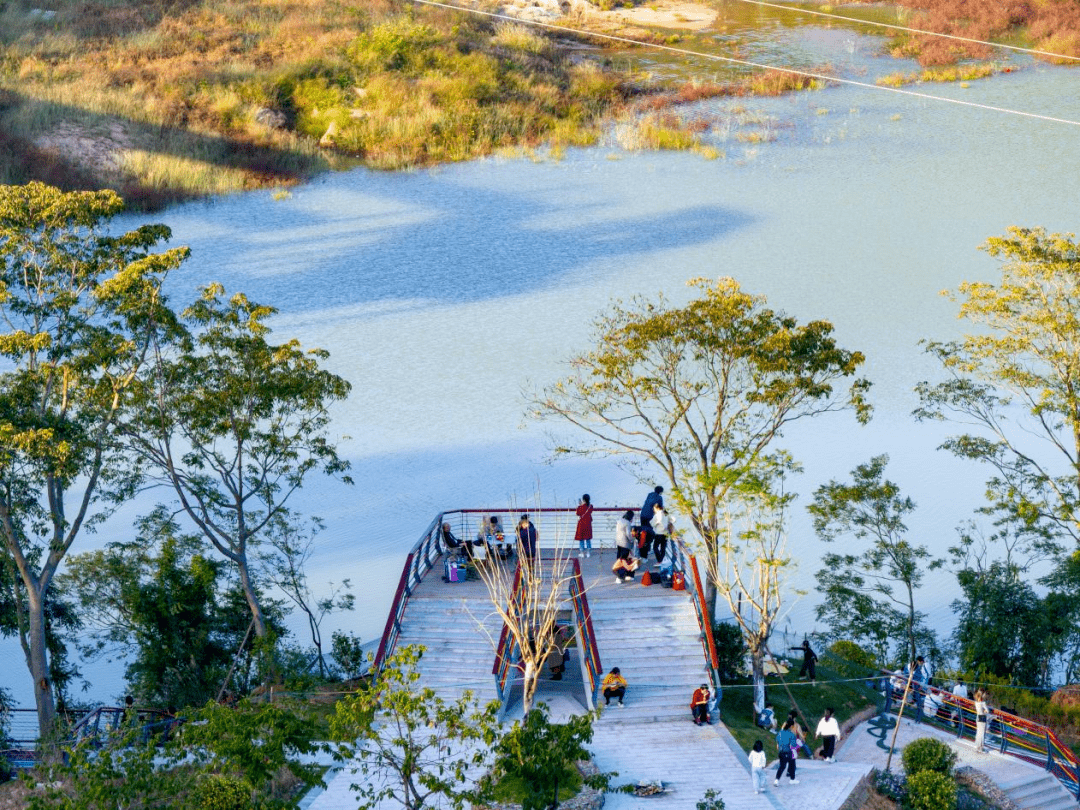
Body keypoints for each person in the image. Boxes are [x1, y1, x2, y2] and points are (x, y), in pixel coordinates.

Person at [639, 485, 663, 558]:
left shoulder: (650, 494)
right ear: (661, 492)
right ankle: (646, 551)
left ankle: (642, 549)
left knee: (643, 532)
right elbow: (660, 508)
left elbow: (648, 503)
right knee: (649, 534)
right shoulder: (659, 497)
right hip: (649, 517)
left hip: (642, 515)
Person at [774, 719, 799, 786]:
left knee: (782, 766)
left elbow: (777, 741)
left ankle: (776, 780)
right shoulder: (791, 734)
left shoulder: (780, 732)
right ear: (791, 726)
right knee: (792, 764)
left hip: (781, 751)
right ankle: (792, 779)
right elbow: (793, 745)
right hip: (788, 751)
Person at [974, 688, 990, 753]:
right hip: (982, 717)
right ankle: (981, 748)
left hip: (978, 717)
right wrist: (985, 711)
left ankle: (977, 746)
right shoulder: (983, 703)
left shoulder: (976, 702)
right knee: (982, 733)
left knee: (978, 732)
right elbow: (987, 711)